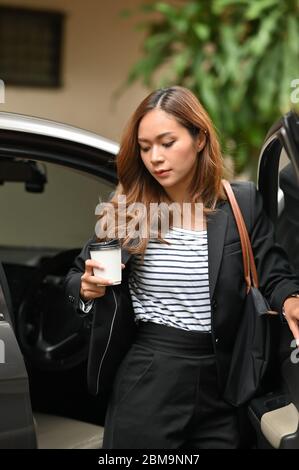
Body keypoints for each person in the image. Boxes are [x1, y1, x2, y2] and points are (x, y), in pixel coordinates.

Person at [65, 86, 299, 449]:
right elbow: (77, 276)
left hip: (225, 379)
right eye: (145, 147)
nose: (155, 157)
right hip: (149, 373)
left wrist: (290, 301)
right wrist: (85, 288)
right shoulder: (127, 209)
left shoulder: (241, 203)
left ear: (200, 137)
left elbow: (274, 273)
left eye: (167, 142)